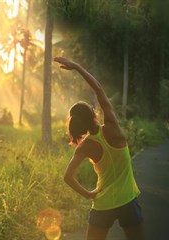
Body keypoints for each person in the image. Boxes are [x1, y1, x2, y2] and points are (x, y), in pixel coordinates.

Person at [56, 57, 143, 240]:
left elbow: (67, 177)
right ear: (94, 113)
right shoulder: (113, 126)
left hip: (103, 204)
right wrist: (78, 67)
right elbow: (98, 89)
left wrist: (88, 194)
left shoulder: (85, 147)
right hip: (128, 200)